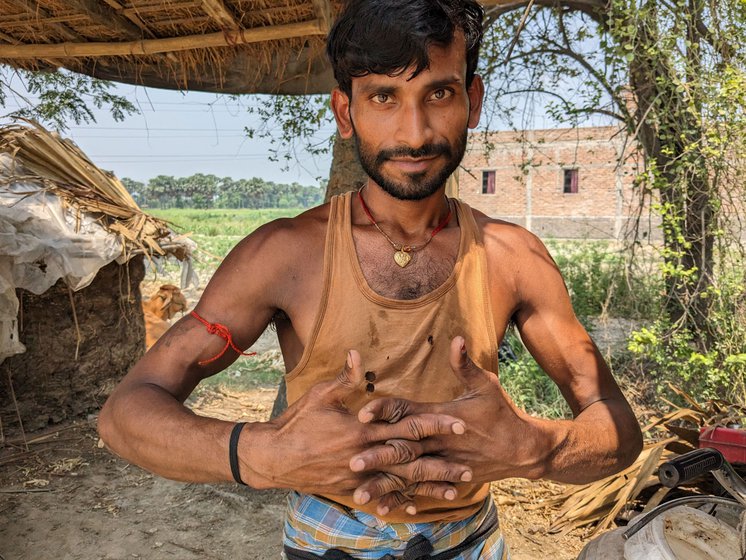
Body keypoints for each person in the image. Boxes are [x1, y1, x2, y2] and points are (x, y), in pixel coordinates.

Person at [98, 0, 643, 558]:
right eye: (383, 96)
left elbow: (619, 430)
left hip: (471, 543)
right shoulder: (283, 254)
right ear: (345, 111)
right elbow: (126, 414)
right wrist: (263, 453)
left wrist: (535, 447)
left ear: (472, 100)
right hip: (322, 541)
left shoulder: (514, 257)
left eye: (439, 93)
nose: (414, 132)